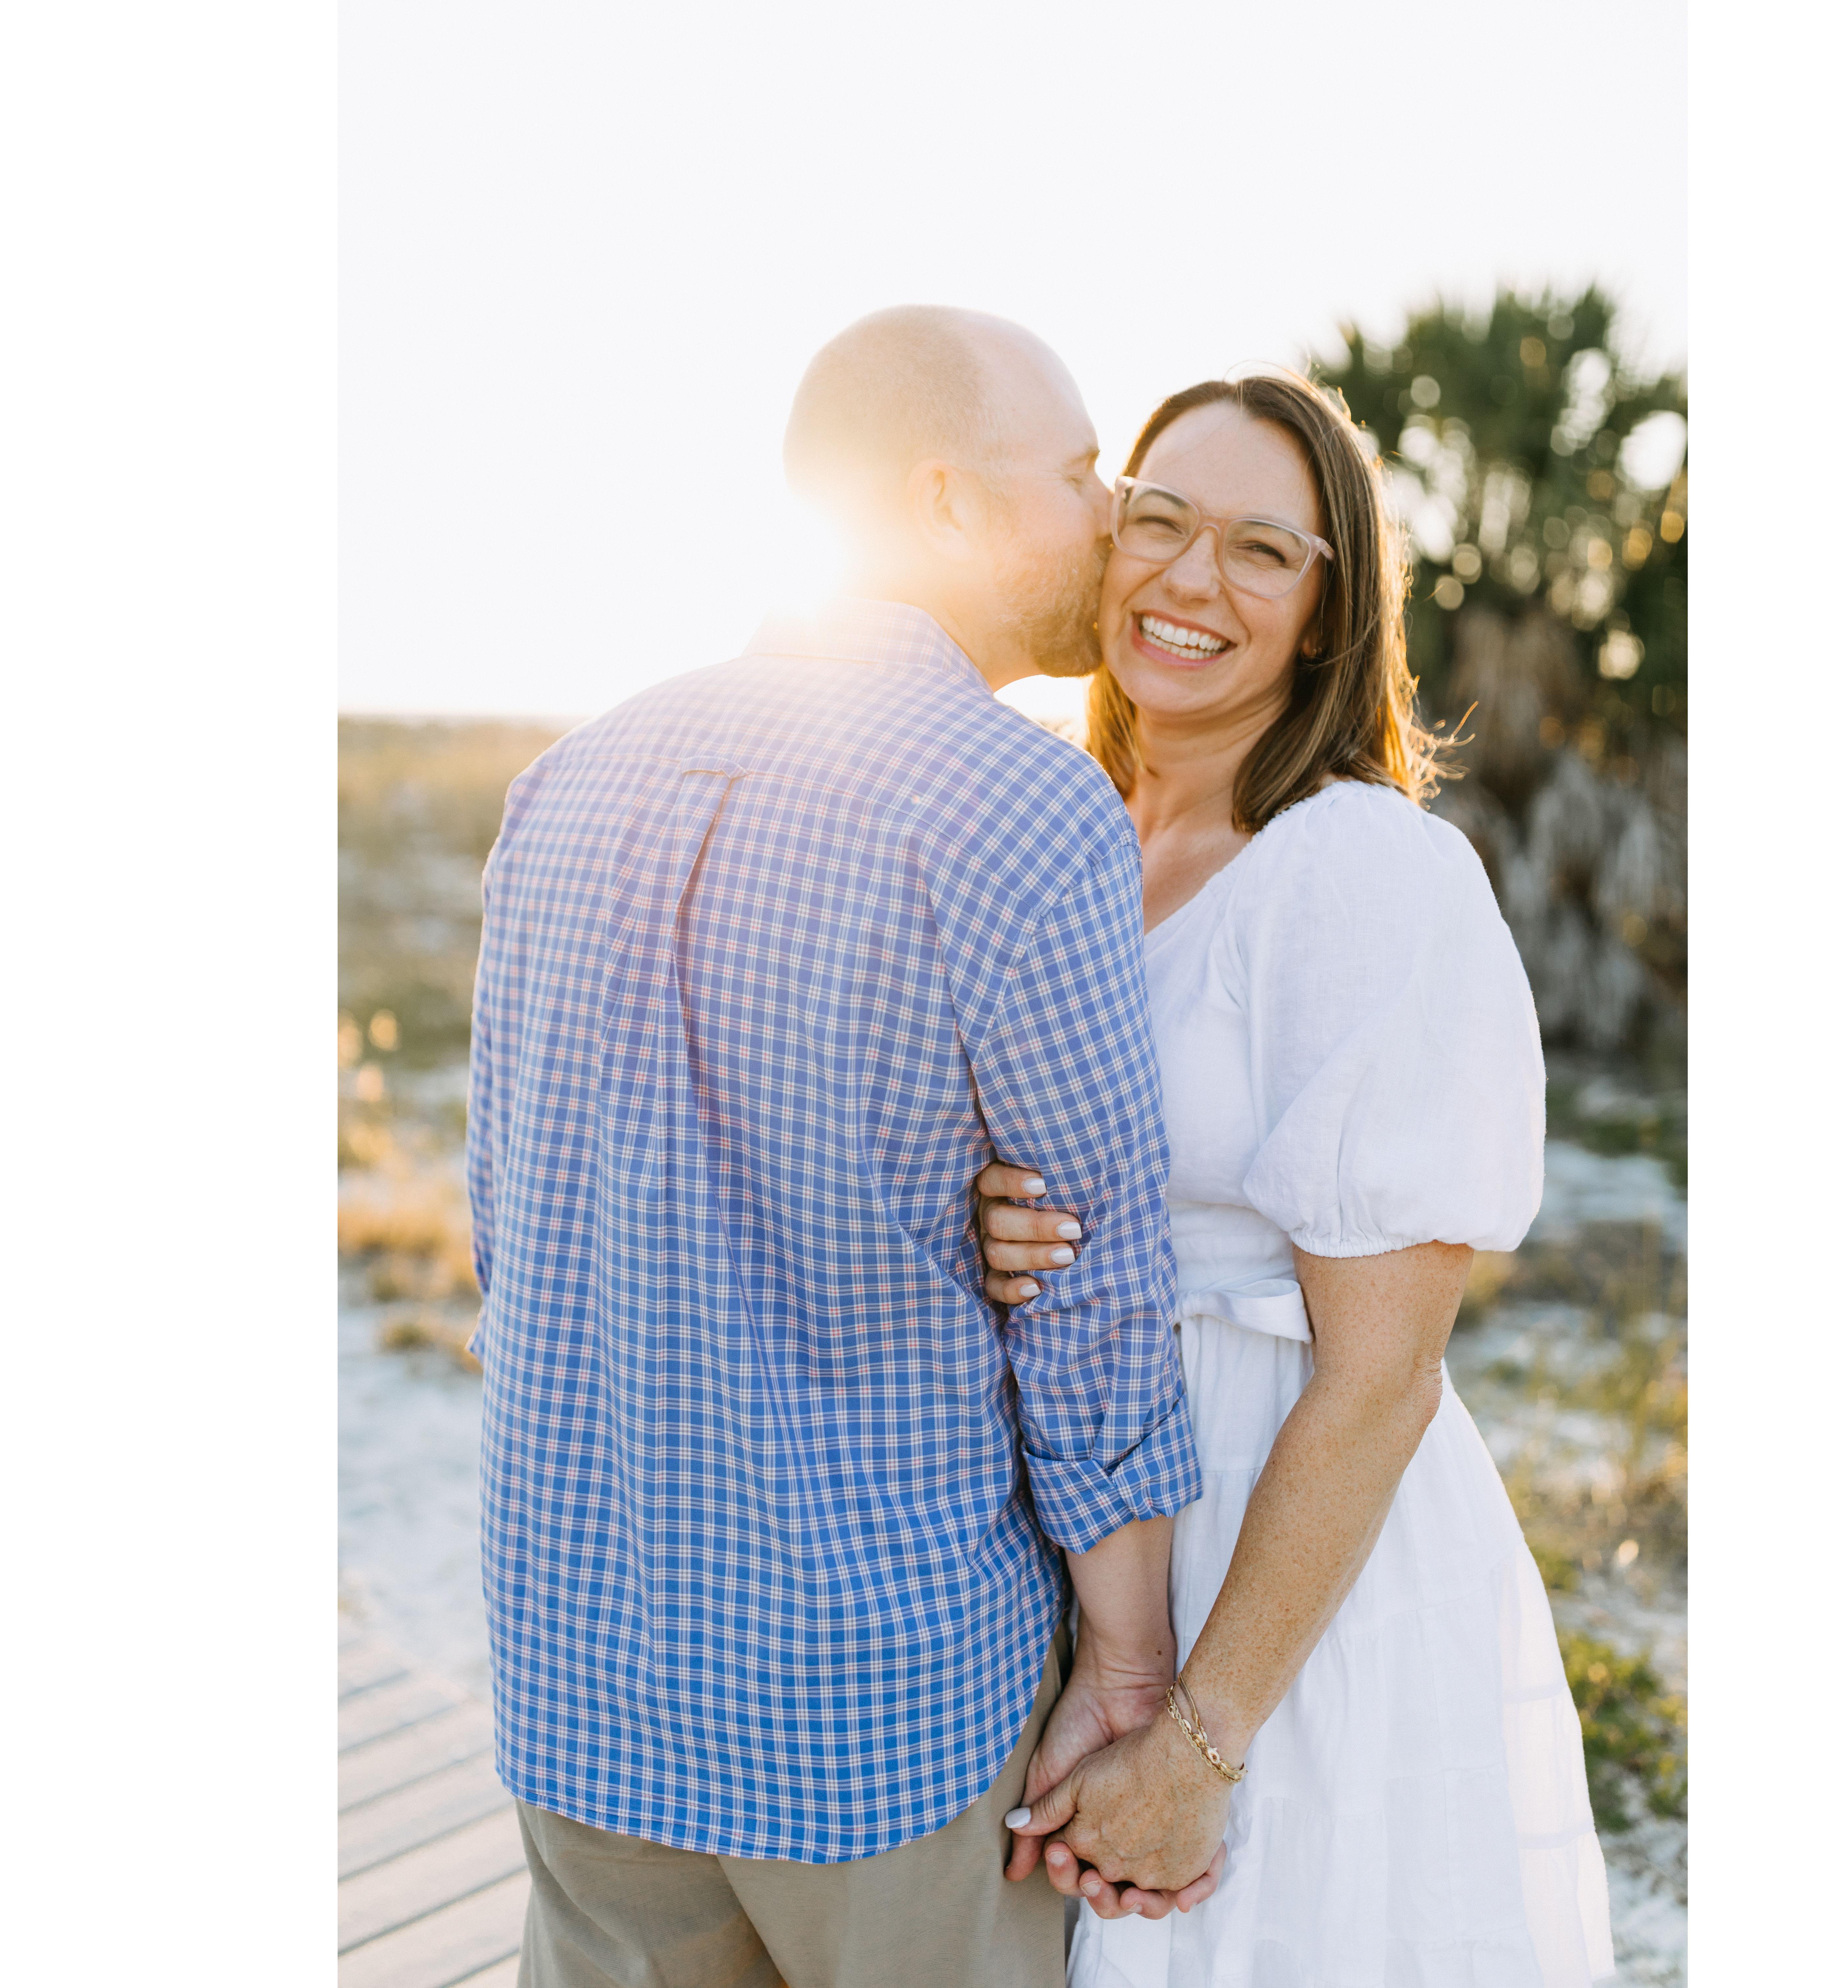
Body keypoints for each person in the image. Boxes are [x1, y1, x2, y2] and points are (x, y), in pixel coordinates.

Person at [464, 306, 1208, 1988]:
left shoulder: (563, 784)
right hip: (876, 1716)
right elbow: (1098, 1293)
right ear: (942, 501)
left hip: (582, 1686)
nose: (1116, 515)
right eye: (1082, 471)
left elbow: (511, 1237)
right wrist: (1133, 1675)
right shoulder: (1022, 812)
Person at [978, 372, 1616, 1985]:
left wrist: (1206, 1742)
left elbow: (1386, 1376)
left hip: (1281, 1569)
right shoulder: (1058, 838)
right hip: (1063, 1527)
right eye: (1163, 523)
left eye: (1264, 551)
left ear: (1332, 618)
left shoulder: (1357, 869)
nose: (1192, 581)